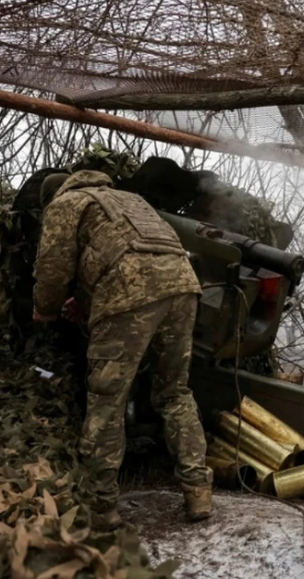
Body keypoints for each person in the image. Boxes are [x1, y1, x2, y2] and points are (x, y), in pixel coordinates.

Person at [31, 169, 213, 528]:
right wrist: (85, 302)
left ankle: (100, 506)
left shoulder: (65, 203)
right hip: (183, 287)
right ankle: (198, 492)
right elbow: (122, 252)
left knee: (107, 398)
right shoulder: (130, 200)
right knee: (174, 392)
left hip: (130, 293)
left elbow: (53, 268)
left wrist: (45, 310)